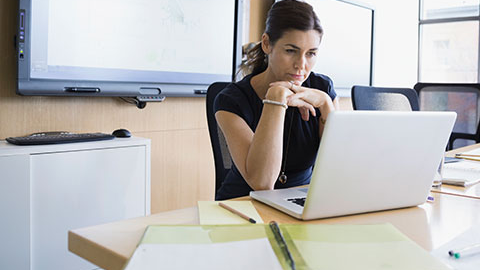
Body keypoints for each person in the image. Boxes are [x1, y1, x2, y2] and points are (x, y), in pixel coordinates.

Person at [214, 0, 339, 200]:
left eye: (311, 54)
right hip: (243, 205)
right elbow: (262, 183)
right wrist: (276, 99)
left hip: (300, 204)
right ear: (266, 44)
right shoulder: (231, 101)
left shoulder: (322, 89)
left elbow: (338, 170)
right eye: (291, 51)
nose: (301, 65)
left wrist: (326, 104)